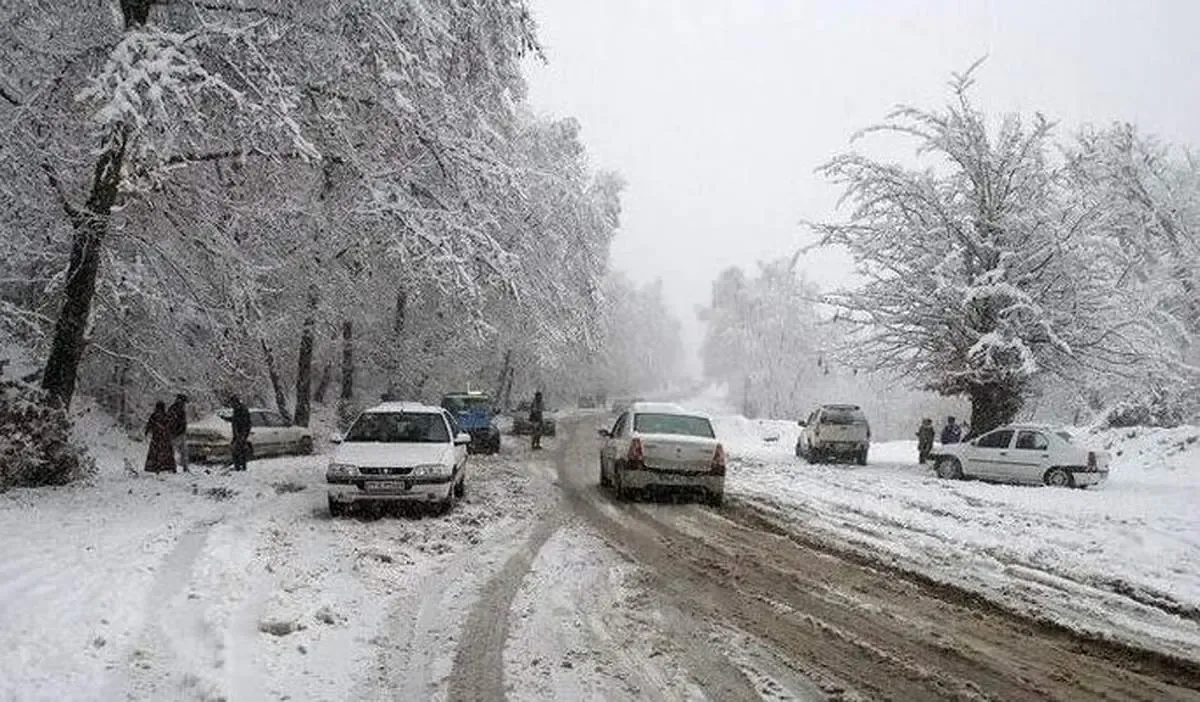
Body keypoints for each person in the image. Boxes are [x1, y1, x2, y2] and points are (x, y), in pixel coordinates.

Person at [143, 401, 177, 473]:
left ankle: (154, 466)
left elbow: (149, 424)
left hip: (156, 438)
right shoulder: (166, 415)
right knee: (166, 453)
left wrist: (147, 431)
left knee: (155, 453)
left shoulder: (154, 415)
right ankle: (167, 466)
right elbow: (170, 425)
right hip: (165, 438)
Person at [230, 395, 252, 471]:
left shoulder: (243, 410)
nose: (232, 405)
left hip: (242, 434)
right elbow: (234, 420)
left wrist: (243, 435)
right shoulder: (236, 410)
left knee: (239, 451)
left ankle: (241, 467)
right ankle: (238, 466)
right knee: (236, 450)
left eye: (233, 403)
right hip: (237, 434)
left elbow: (246, 424)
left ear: (236, 402)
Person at [167, 393, 189, 472]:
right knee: (183, 451)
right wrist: (182, 429)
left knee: (173, 451)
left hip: (173, 433)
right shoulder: (180, 410)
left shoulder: (172, 408)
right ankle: (184, 467)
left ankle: (173, 467)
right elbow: (182, 422)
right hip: (178, 433)